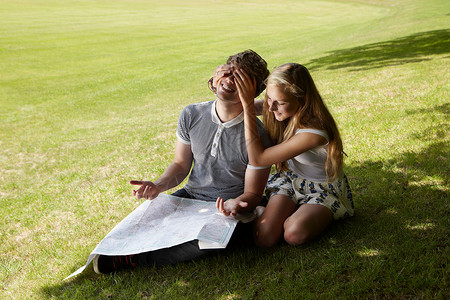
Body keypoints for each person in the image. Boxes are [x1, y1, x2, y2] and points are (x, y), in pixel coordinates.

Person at [93, 50, 272, 274]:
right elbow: (180, 165)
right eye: (228, 72)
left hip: (227, 207)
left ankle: (138, 257)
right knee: (147, 217)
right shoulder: (192, 114)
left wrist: (238, 204)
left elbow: (252, 194)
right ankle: (120, 249)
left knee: (211, 242)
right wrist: (158, 185)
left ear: (252, 92)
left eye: (241, 79)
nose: (230, 81)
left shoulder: (259, 136)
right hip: (192, 196)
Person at [217, 63, 354, 248]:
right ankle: (271, 212)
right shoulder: (278, 106)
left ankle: (301, 213)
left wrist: (249, 107)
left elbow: (258, 158)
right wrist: (221, 79)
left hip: (322, 189)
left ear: (302, 99)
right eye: (268, 99)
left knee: (294, 234)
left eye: (280, 103)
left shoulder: (314, 133)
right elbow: (237, 106)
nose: (271, 108)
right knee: (264, 238)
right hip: (291, 180)